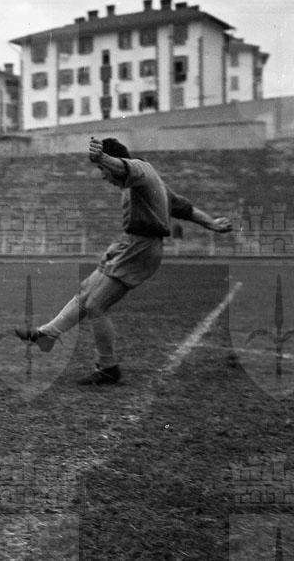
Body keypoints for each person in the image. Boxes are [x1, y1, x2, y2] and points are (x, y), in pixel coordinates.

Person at [15, 137, 233, 386]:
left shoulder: (140, 169)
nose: (103, 176)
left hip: (142, 247)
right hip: (130, 244)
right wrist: (212, 223)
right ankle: (47, 334)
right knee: (86, 290)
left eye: (103, 170)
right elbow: (183, 208)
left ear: (114, 162)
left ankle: (108, 367)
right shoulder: (144, 182)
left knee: (96, 306)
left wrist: (102, 158)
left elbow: (124, 167)